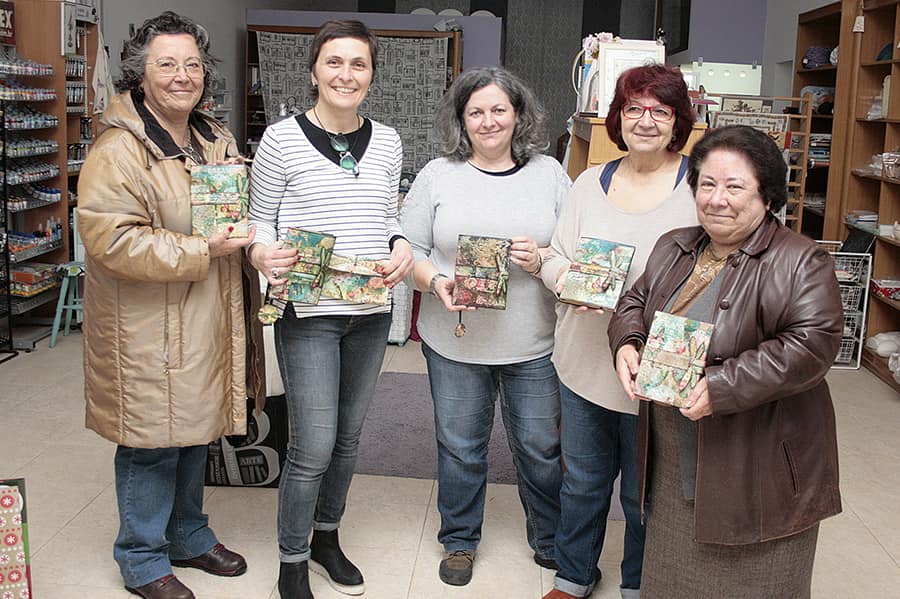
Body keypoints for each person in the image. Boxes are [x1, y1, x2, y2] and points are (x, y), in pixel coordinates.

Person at [608, 125, 843, 598]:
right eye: (708, 184)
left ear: (767, 195)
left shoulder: (801, 260)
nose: (718, 199)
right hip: (674, 455)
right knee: (672, 578)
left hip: (755, 464)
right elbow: (634, 300)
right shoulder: (675, 245)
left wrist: (722, 386)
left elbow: (812, 345)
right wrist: (627, 343)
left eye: (735, 187)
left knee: (757, 581)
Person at [78, 12, 260, 599]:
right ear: (141, 73)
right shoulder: (119, 149)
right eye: (167, 64)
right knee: (152, 443)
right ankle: (141, 557)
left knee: (193, 432)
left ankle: (188, 534)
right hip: (147, 327)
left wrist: (237, 191)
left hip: (202, 318)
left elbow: (224, 217)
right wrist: (202, 248)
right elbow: (111, 242)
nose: (183, 76)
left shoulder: (211, 137)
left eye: (192, 64)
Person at [246, 20, 414, 599]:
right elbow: (259, 222)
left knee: (347, 439)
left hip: (370, 309)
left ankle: (326, 537)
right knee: (312, 444)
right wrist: (261, 252)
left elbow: (389, 217)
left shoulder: (388, 141)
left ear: (372, 75)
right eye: (334, 62)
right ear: (314, 71)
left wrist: (401, 243)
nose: (347, 74)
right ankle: (291, 561)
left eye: (358, 64)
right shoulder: (280, 139)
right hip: (308, 311)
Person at [400, 66, 569, 587]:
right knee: (460, 447)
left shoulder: (550, 174)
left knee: (540, 447)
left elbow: (574, 250)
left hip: (533, 343)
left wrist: (541, 256)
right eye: (476, 111)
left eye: (499, 109)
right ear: (461, 119)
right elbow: (409, 250)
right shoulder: (438, 175)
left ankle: (550, 537)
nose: (488, 121)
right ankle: (459, 540)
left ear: (519, 115)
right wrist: (435, 282)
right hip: (455, 343)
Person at [540, 63, 698, 599]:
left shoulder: (698, 186)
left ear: (678, 121)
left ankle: (639, 584)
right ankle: (573, 576)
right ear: (618, 118)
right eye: (634, 108)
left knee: (643, 493)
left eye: (660, 110)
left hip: (655, 372)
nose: (646, 120)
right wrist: (570, 281)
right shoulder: (590, 183)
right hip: (584, 361)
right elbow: (553, 258)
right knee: (583, 483)